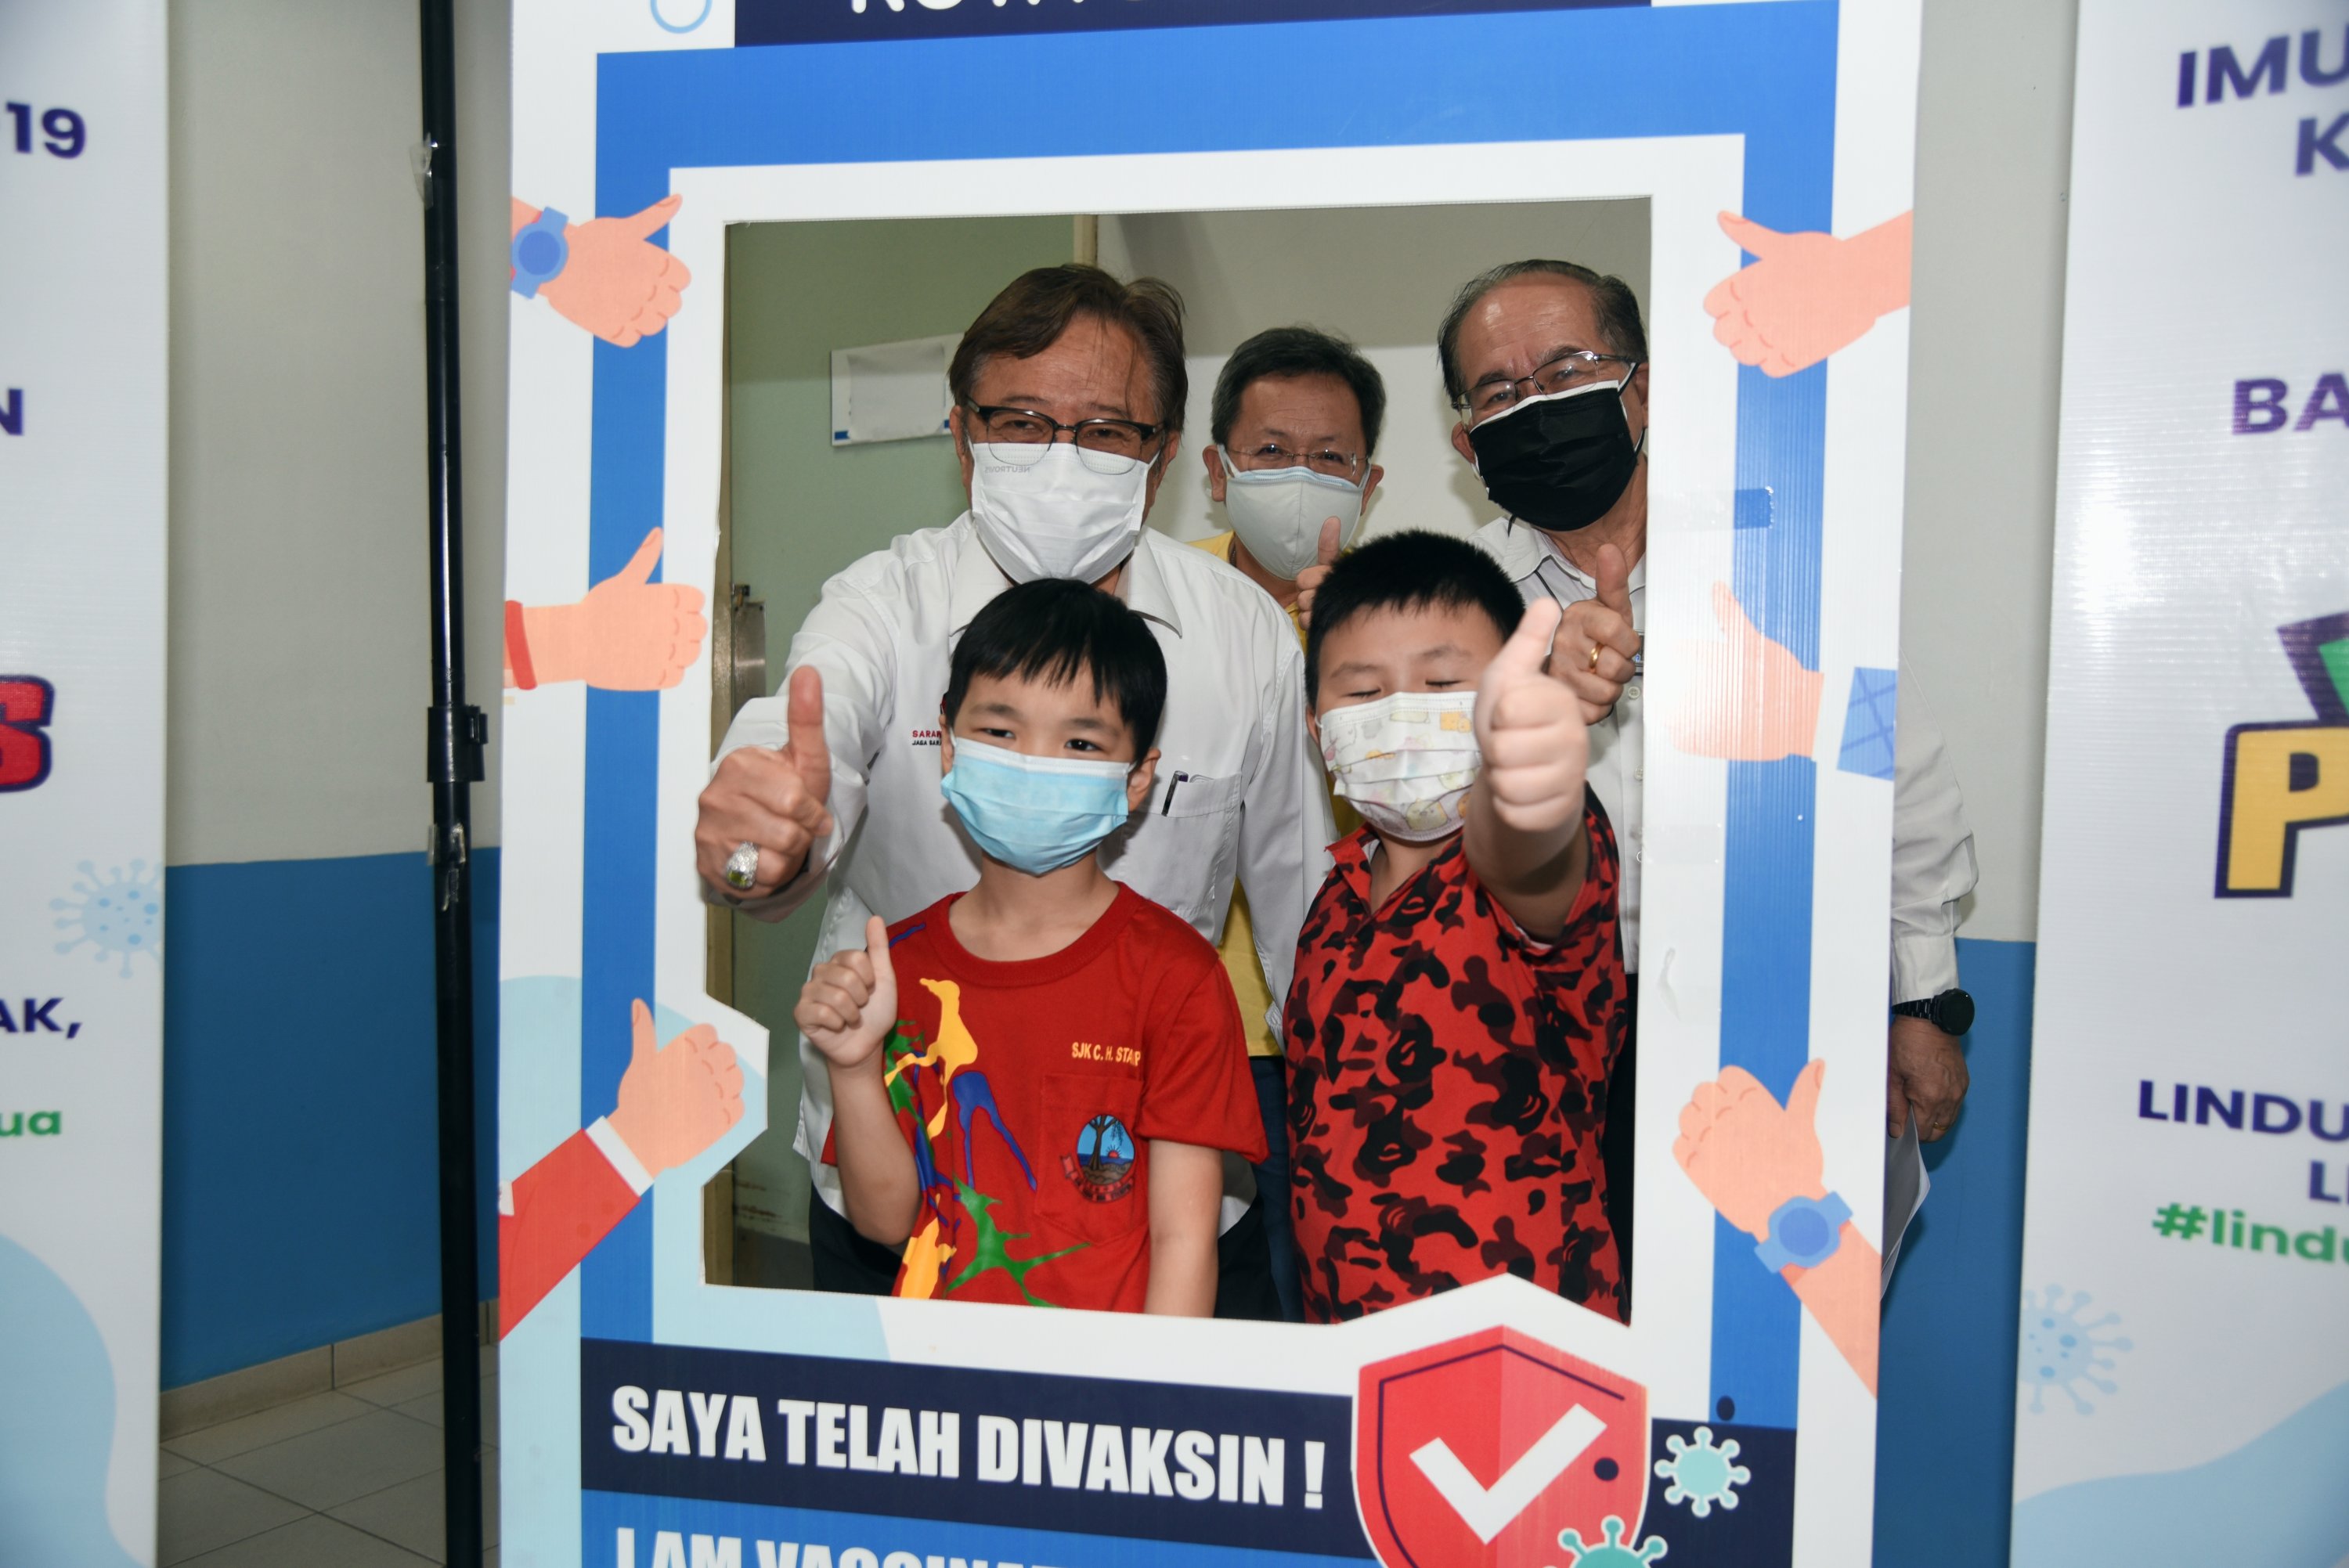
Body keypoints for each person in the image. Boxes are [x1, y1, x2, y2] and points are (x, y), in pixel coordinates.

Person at [693, 265, 1329, 1315]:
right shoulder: (883, 604)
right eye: (1022, 421)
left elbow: (1306, 917)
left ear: (1163, 457)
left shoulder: (1241, 634)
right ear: (962, 436)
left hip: (1160, 1213)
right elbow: (808, 740)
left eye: (1107, 430)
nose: (1061, 457)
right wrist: (761, 828)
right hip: (904, 1189)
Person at [1418, 258, 1980, 1289]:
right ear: (1466, 441)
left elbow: (1893, 773)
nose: (1535, 406)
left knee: (1766, 1325)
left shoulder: (1788, 567)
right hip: (1526, 1036)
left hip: (1767, 1019)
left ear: (1646, 388)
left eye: (1566, 371)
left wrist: (1925, 1001)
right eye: (1498, 391)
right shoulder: (1448, 607)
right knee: (1564, 1320)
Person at [794, 580, 1265, 1313]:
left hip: (1106, 1377)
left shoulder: (1177, 977)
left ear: (1137, 778)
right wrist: (853, 1068)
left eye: (1080, 743)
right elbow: (885, 1222)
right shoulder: (902, 968)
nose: (1033, 764)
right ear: (948, 743)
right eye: (1000, 731)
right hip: (939, 1368)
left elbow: (1184, 1241)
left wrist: (1145, 1387)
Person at [1288, 531, 1626, 1324]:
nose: (1401, 713)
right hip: (1346, 1348)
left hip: (1524, 1352)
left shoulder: (1527, 862)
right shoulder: (1334, 899)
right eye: (1363, 691)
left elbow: (1528, 850)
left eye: (1443, 683)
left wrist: (1529, 765)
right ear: (1316, 727)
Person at [1186, 325, 1385, 1321]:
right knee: (1186, 1282)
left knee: (1321, 1277)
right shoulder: (1152, 597)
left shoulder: (1403, 618)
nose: (1298, 476)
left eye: (1330, 457)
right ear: (1216, 470)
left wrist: (1341, 656)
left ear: (1371, 482)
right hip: (1179, 1021)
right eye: (1269, 451)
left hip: (1336, 1023)